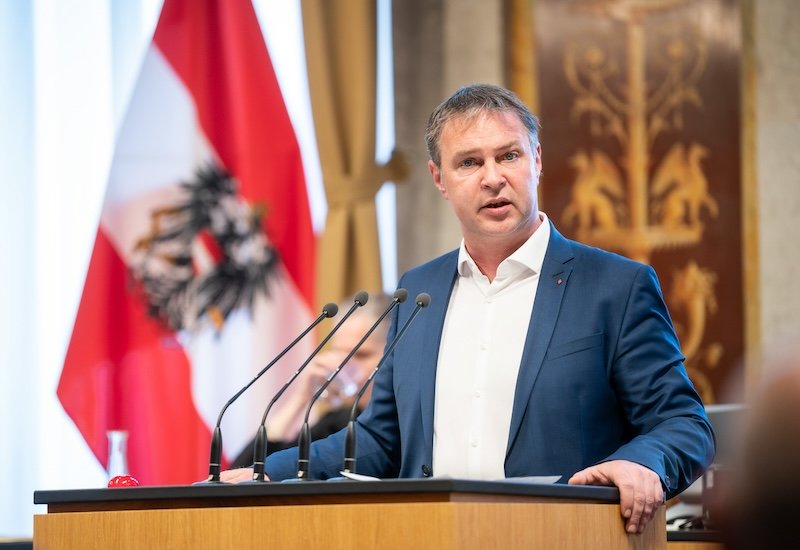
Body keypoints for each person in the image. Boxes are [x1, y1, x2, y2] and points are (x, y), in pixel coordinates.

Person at [222, 84, 714, 535]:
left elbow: (683, 423)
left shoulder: (616, 286)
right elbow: (382, 439)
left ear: (536, 160)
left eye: (509, 155)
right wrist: (266, 473)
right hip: (431, 538)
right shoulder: (419, 291)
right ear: (439, 178)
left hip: (565, 538)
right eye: (469, 163)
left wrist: (642, 463)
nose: (493, 178)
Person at [230, 292, 393, 468]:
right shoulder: (338, 423)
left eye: (361, 355)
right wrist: (300, 399)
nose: (344, 365)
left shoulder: (402, 424)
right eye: (340, 354)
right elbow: (244, 471)